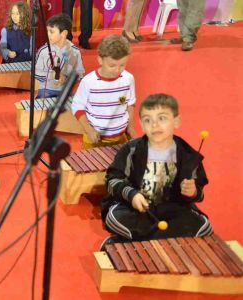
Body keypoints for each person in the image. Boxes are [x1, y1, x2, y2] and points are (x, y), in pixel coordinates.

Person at [100, 93, 212, 248]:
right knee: (115, 217)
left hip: (172, 208)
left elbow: (199, 194)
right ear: (141, 124)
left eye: (162, 118)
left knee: (203, 226)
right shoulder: (131, 149)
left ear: (176, 121)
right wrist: (132, 195)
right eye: (148, 120)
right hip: (136, 210)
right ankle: (164, 241)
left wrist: (193, 192)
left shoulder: (188, 156)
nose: (154, 125)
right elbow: (112, 180)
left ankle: (129, 243)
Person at [72, 35, 136, 149]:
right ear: (100, 60)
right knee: (92, 166)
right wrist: (89, 130)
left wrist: (130, 126)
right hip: (94, 138)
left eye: (122, 65)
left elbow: (130, 104)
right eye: (112, 65)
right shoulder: (89, 81)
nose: (117, 70)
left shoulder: (128, 79)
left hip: (120, 136)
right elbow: (77, 107)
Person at [35, 14, 84, 98]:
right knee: (45, 106)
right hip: (46, 90)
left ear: (64, 33)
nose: (48, 34)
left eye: (52, 32)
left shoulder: (75, 52)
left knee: (74, 105)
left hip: (66, 91)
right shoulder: (43, 51)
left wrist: (66, 78)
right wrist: (51, 75)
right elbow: (35, 73)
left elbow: (80, 74)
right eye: (47, 31)